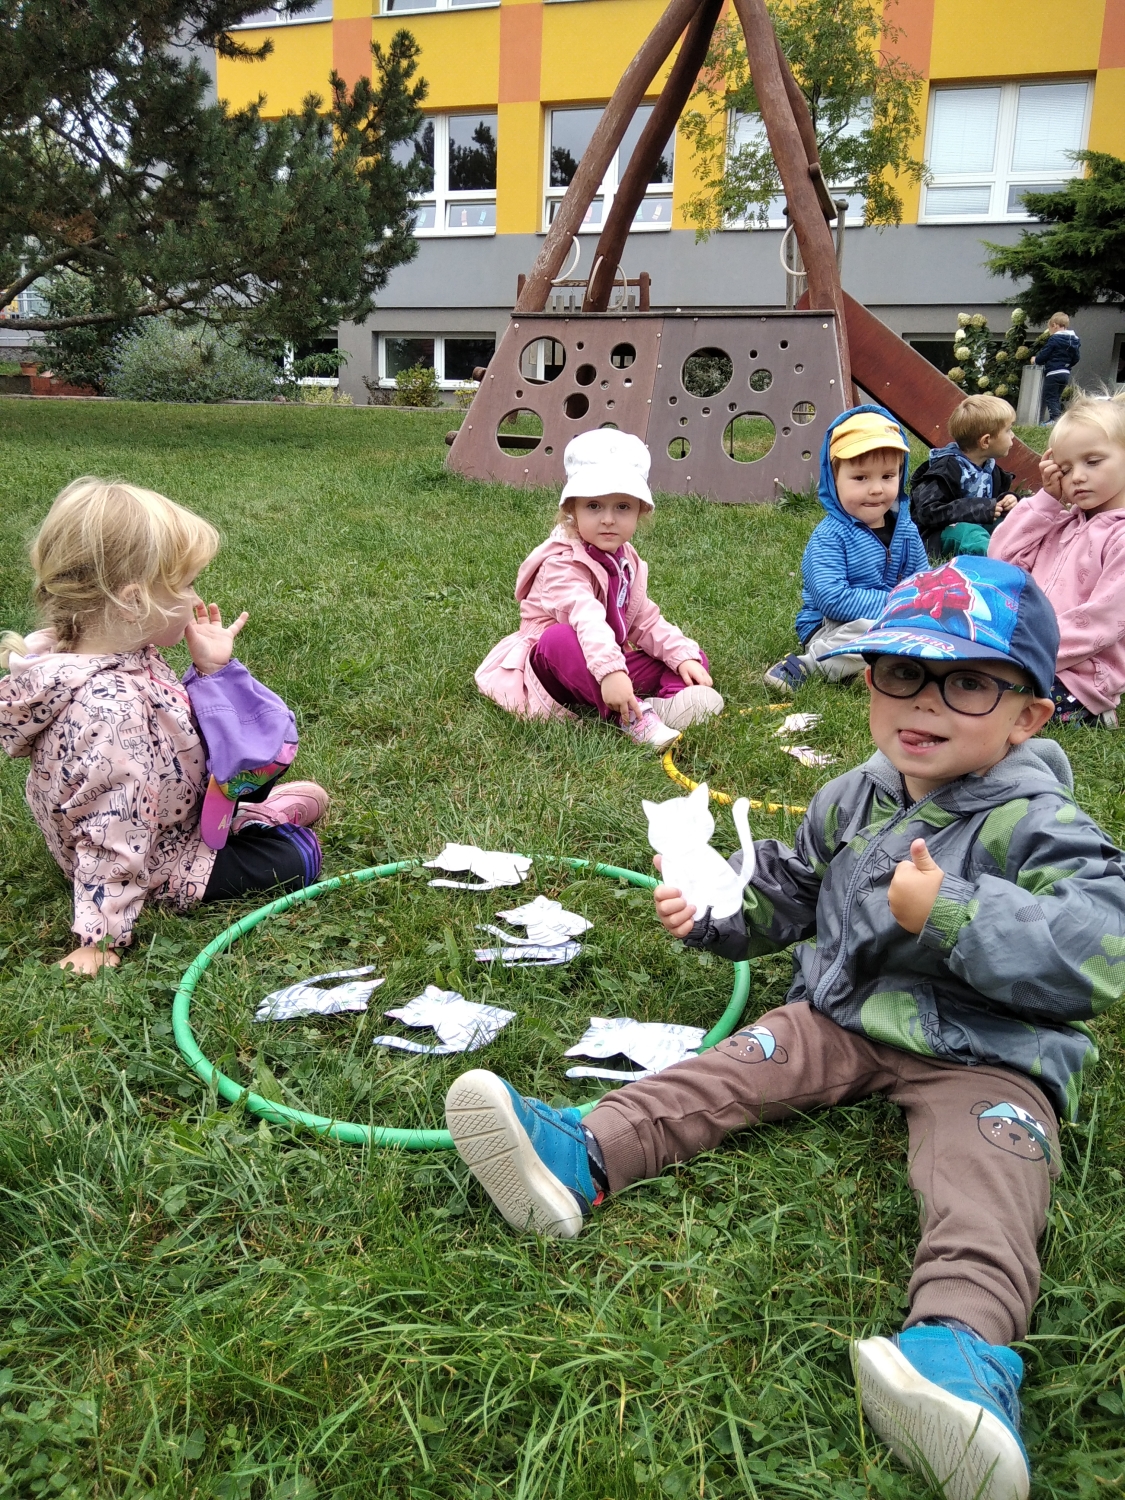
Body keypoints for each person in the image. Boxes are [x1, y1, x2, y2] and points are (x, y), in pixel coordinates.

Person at [444, 556, 1125, 1500]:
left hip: (990, 1051)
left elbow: (1103, 943)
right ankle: (580, 1154)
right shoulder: (853, 794)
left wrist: (953, 911)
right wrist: (719, 912)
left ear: (1027, 717)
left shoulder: (1038, 820)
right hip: (846, 1011)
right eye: (901, 673)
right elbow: (793, 888)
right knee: (734, 1065)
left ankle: (959, 1357)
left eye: (968, 684)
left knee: (986, 1180)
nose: (922, 703)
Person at [0, 478, 329, 974]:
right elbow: (114, 827)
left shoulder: (93, 654)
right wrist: (100, 938)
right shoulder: (110, 711)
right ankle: (258, 822)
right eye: (188, 584)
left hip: (165, 817)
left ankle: (241, 817)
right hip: (152, 859)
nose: (196, 597)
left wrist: (213, 671)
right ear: (134, 601)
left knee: (271, 801)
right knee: (296, 858)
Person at [475, 428, 722, 750]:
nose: (608, 519)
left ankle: (664, 704)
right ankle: (631, 716)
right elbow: (586, 618)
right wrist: (609, 672)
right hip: (559, 666)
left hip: (606, 656)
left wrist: (681, 657)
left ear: (640, 511)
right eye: (593, 506)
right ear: (572, 510)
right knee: (558, 637)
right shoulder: (561, 563)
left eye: (622, 507)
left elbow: (644, 619)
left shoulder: (625, 559)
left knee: (689, 657)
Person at [764, 406, 928, 692]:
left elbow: (922, 581)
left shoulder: (907, 530)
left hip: (894, 618)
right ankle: (808, 665)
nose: (876, 489)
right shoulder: (830, 536)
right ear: (834, 480)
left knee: (929, 628)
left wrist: (925, 603)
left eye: (888, 476)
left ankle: (877, 668)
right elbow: (833, 599)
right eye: (861, 478)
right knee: (869, 630)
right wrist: (898, 603)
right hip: (833, 627)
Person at [990, 391, 1125, 727]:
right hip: (1025, 652)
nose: (1076, 476)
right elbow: (1001, 560)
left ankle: (1096, 713)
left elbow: (1101, 622)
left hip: (1079, 678)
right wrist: (1046, 501)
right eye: (1064, 468)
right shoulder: (1059, 523)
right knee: (968, 682)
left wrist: (1029, 651)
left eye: (1092, 461)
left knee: (994, 704)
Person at [909, 394, 1018, 560]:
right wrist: (981, 508)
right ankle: (998, 560)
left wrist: (1007, 500)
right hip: (941, 533)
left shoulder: (990, 467)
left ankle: (1022, 551)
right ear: (986, 441)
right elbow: (927, 511)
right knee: (969, 534)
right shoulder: (947, 468)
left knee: (1010, 524)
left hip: (979, 526)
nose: (1013, 435)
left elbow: (993, 500)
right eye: (1008, 430)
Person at [1031, 313, 1080, 424]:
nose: (1050, 332)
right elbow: (1076, 358)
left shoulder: (1055, 339)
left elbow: (1045, 354)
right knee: (1056, 396)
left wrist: (1036, 360)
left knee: (1050, 396)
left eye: (1050, 329)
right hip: (1065, 373)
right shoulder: (1074, 340)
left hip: (1053, 373)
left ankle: (1054, 419)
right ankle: (1057, 419)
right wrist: (1067, 365)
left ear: (1054, 325)